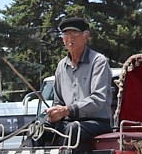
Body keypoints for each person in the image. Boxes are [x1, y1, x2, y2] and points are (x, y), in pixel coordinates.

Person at [45, 16, 113, 145]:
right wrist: (54, 112)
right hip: (68, 121)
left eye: (75, 33)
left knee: (72, 129)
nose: (70, 38)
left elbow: (97, 99)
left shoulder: (98, 61)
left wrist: (67, 110)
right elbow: (58, 101)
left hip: (97, 122)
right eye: (66, 34)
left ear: (86, 36)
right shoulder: (61, 66)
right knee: (38, 129)